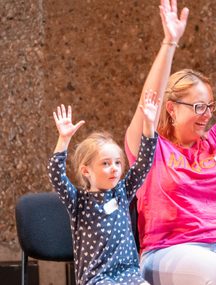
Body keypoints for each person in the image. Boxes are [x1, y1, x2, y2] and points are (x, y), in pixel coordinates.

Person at [125, 0, 216, 284]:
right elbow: (149, 100)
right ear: (171, 108)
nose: (206, 115)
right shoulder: (150, 147)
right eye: (197, 107)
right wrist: (169, 42)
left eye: (209, 106)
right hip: (166, 250)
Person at [47, 91, 158, 285]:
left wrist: (149, 126)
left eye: (117, 162)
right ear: (86, 170)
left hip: (129, 273)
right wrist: (63, 140)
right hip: (96, 278)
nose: (114, 168)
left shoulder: (122, 192)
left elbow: (143, 164)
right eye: (105, 163)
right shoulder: (78, 201)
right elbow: (56, 176)